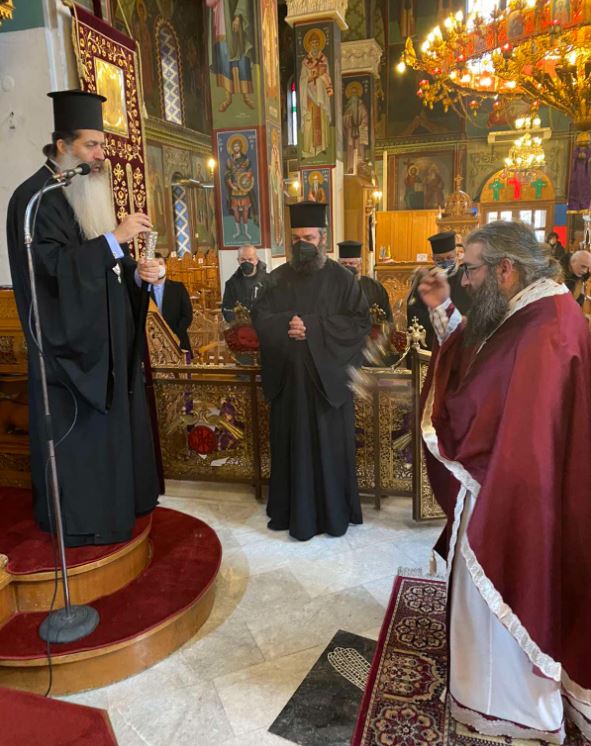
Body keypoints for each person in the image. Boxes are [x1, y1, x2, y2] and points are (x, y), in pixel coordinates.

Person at [418, 220, 591, 742]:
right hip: (522, 481)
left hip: (516, 493)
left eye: (470, 270)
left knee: (505, 585)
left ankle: (505, 706)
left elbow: (479, 399)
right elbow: (483, 356)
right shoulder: (535, 309)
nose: (465, 280)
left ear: (505, 269)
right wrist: (444, 309)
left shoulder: (544, 328)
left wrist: (447, 416)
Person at [6, 89, 160, 546]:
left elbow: (101, 265)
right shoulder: (35, 199)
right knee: (81, 443)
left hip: (101, 345)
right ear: (62, 146)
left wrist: (139, 274)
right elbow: (54, 271)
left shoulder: (78, 192)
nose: (100, 155)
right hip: (69, 353)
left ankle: (118, 505)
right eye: (91, 145)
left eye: (102, 145)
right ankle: (84, 521)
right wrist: (114, 239)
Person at [252, 202, 370, 541]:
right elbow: (260, 318)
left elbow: (360, 323)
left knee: (329, 450)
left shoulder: (343, 279)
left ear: (322, 239)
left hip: (326, 388)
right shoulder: (276, 279)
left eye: (308, 238)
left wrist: (314, 328)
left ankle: (333, 514)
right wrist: (287, 325)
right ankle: (291, 512)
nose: (302, 244)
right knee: (291, 447)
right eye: (296, 239)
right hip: (289, 385)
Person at [406, 231, 471, 348]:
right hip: (432, 342)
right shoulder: (426, 279)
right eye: (440, 259)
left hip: (462, 342)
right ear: (433, 259)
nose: (445, 262)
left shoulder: (467, 278)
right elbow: (414, 314)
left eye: (449, 258)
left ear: (456, 255)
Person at [338, 240, 392, 322]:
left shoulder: (375, 288)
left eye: (352, 263)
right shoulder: (329, 288)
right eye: (344, 264)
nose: (348, 267)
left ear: (360, 265)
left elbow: (387, 319)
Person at [152, 253, 193, 354]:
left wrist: (174, 334)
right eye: (154, 265)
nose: (158, 268)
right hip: (153, 343)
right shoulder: (143, 291)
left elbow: (187, 315)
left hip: (177, 339)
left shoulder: (178, 288)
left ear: (166, 266)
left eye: (160, 263)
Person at [222, 244, 268, 322]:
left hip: (264, 324)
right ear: (238, 260)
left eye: (250, 259)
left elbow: (275, 305)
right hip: (241, 325)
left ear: (256, 260)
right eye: (243, 259)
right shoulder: (231, 284)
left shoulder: (268, 280)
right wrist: (239, 321)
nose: (247, 262)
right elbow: (226, 309)